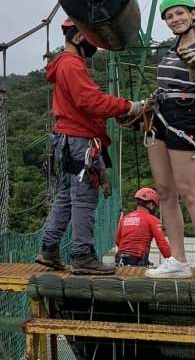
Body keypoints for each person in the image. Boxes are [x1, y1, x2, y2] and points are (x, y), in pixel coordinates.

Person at [36, 19, 144, 276]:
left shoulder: (63, 64)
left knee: (65, 196)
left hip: (66, 140)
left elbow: (85, 102)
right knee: (84, 198)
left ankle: (49, 249)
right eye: (91, 38)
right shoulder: (72, 64)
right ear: (78, 37)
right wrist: (128, 106)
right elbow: (91, 101)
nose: (94, 44)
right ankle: (83, 256)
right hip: (80, 140)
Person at [144, 0, 195, 280]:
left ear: (192, 14)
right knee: (165, 191)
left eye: (180, 13)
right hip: (159, 115)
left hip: (185, 115)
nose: (175, 19)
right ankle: (178, 259)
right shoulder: (170, 50)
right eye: (169, 16)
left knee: (189, 192)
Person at [114, 187, 172, 267]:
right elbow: (162, 244)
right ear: (150, 205)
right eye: (155, 205)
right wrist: (172, 261)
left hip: (119, 259)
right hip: (137, 260)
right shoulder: (152, 219)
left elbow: (117, 241)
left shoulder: (124, 218)